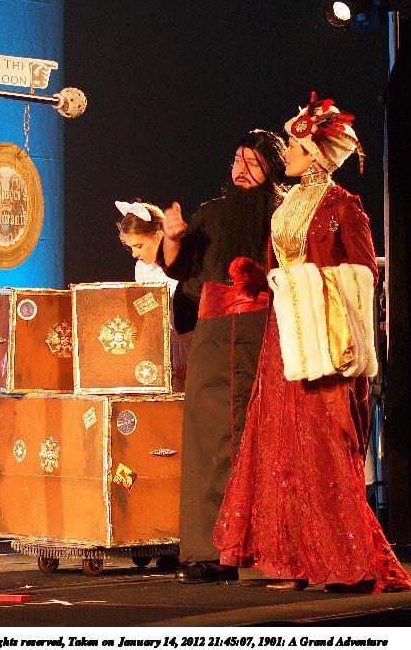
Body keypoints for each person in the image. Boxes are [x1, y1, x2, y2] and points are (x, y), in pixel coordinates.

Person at [212, 93, 411, 593]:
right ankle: (294, 561)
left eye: (297, 147)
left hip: (323, 342)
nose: (288, 153)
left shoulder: (344, 206)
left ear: (318, 155)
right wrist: (260, 280)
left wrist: (299, 283)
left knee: (322, 448)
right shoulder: (288, 205)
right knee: (281, 447)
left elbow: (364, 275)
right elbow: (280, 269)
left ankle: (347, 564)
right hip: (283, 338)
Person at [161, 129, 287, 583]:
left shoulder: (282, 213)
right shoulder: (211, 213)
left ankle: (255, 548)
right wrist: (172, 237)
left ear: (272, 168)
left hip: (263, 330)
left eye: (253, 161)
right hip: (214, 337)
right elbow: (180, 266)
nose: (241, 168)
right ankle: (205, 549)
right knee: (206, 438)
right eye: (237, 158)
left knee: (258, 436)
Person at [115, 200, 191, 390]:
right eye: (131, 247)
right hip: (162, 347)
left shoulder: (184, 261)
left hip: (192, 342)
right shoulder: (141, 268)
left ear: (158, 236)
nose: (134, 254)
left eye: (139, 246)